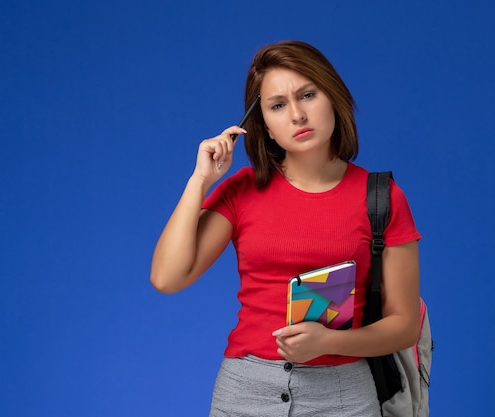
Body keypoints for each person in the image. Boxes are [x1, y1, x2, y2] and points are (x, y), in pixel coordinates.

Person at [150, 40, 421, 416]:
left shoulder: (382, 197)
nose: (296, 114)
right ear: (263, 124)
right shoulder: (241, 191)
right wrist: (200, 181)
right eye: (277, 105)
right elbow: (167, 277)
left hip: (343, 395)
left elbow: (405, 326)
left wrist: (329, 342)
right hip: (244, 394)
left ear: (332, 97)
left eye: (307, 95)